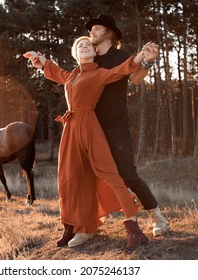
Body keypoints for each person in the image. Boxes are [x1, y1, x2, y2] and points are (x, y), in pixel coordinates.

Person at [24, 36, 149, 252]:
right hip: (70, 127)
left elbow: (120, 70)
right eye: (79, 45)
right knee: (69, 178)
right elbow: (57, 72)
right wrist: (42, 61)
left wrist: (140, 56)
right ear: (75, 53)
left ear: (94, 52)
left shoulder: (99, 73)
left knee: (109, 175)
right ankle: (76, 226)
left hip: (89, 126)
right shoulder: (72, 76)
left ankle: (135, 231)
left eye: (87, 45)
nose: (83, 46)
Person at [85, 15, 168, 237]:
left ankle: (157, 217)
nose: (91, 32)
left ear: (110, 33)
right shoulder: (89, 58)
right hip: (91, 126)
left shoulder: (122, 56)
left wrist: (148, 61)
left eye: (97, 29)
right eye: (91, 30)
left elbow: (136, 79)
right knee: (88, 174)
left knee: (128, 175)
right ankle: (88, 223)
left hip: (115, 125)